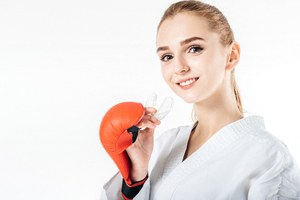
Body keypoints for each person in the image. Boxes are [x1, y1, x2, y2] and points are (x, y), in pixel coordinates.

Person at [100, 0, 300, 199]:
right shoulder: (164, 144)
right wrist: (136, 176)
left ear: (231, 56)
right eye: (167, 56)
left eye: (194, 48)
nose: (179, 67)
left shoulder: (268, 156)